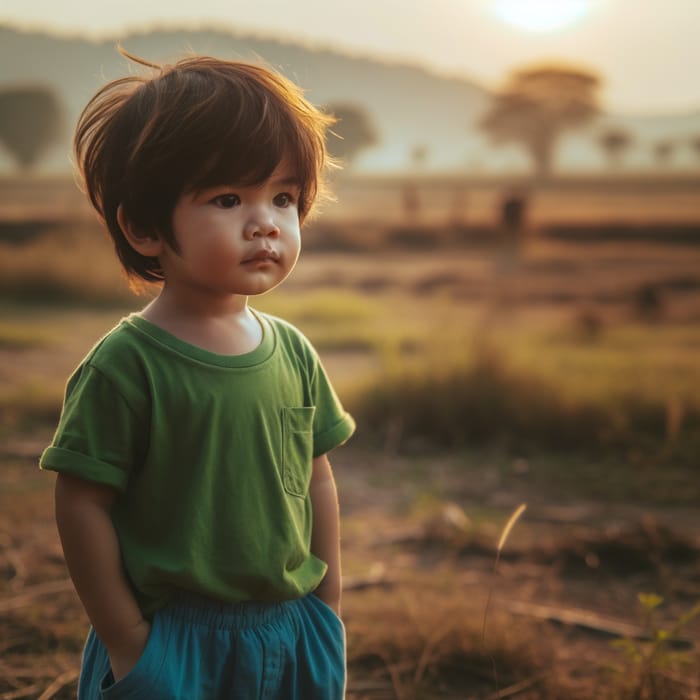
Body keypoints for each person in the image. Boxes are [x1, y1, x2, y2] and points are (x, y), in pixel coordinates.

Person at [39, 51, 355, 699]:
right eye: (229, 197)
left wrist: (327, 607)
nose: (266, 221)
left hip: (291, 628)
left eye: (285, 198)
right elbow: (81, 504)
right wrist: (130, 642)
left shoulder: (293, 352)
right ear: (146, 227)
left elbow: (317, 475)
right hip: (173, 638)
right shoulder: (127, 366)